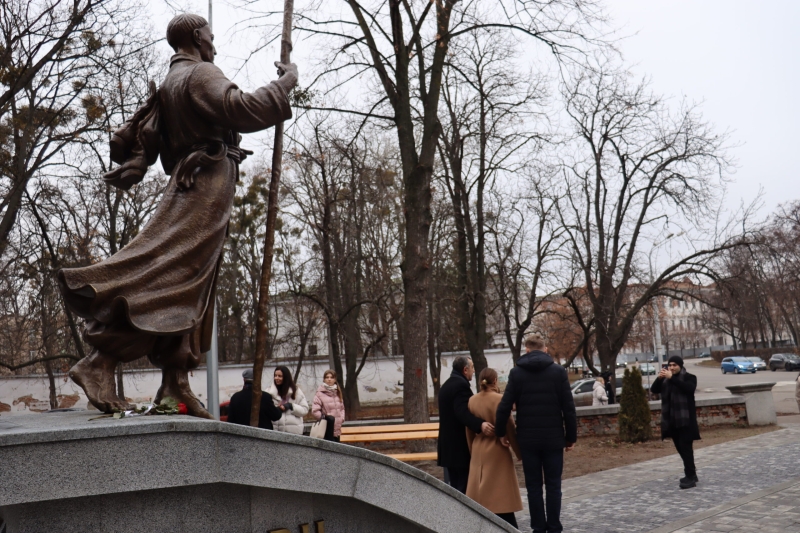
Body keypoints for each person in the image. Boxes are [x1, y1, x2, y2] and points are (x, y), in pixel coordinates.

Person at [56, 13, 298, 417]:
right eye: (211, 37)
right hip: (203, 186)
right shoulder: (199, 74)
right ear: (197, 37)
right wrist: (285, 82)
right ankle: (99, 361)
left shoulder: (172, 82)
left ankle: (174, 379)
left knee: (191, 283)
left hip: (199, 183)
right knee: (171, 278)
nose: (215, 45)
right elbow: (242, 107)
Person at [496, 334, 576, 533]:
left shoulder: (516, 373)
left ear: (527, 350)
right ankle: (555, 527)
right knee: (553, 486)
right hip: (553, 438)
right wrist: (570, 437)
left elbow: (504, 406)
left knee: (533, 487)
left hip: (528, 439)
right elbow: (568, 407)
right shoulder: (558, 372)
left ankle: (538, 527)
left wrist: (501, 432)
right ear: (545, 350)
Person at [466, 368, 523, 528]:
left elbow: (469, 430)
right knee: (501, 495)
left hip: (479, 448)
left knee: (480, 493)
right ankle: (508, 527)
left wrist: (472, 450)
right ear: (495, 381)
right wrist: (518, 452)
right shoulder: (500, 399)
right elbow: (509, 426)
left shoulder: (472, 400)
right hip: (497, 449)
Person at [437, 356, 495, 494]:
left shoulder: (447, 385)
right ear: (465, 369)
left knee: (455, 487)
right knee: (463, 490)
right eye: (472, 367)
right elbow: (462, 413)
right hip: (459, 447)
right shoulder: (460, 386)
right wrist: (480, 425)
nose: (474, 371)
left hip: (448, 447)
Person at [651, 355, 700, 489]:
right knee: (680, 449)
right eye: (670, 365)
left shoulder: (690, 377)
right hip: (671, 421)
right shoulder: (666, 381)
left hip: (686, 421)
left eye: (674, 365)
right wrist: (659, 378)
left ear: (681, 366)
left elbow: (688, 389)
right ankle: (692, 474)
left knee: (686, 449)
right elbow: (654, 390)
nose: (671, 368)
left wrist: (671, 378)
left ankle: (690, 477)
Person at [268, 366, 309, 435]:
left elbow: (305, 410)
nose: (276, 378)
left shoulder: (296, 391)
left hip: (293, 433)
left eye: (280, 376)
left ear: (286, 377)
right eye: (275, 375)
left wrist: (291, 406)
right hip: (275, 432)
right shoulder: (269, 392)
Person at [312, 369, 345, 442]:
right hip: (326, 429)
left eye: (331, 377)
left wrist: (341, 418)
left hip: (337, 429)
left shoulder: (337, 393)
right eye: (327, 377)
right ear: (324, 379)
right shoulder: (319, 394)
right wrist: (325, 418)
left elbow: (342, 408)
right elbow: (315, 411)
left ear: (335, 379)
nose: (329, 379)